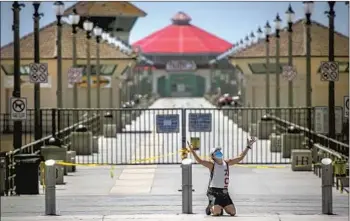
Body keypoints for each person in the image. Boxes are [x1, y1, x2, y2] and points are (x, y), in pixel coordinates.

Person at [187, 137, 257, 216]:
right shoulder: (212, 164)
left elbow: (240, 158)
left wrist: (248, 147)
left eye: (219, 151)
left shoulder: (226, 163)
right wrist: (192, 150)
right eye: (216, 152)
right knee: (216, 212)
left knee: (233, 212)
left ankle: (220, 206)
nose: (219, 152)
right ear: (213, 156)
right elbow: (200, 160)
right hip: (213, 192)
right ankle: (211, 207)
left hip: (224, 192)